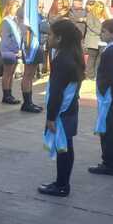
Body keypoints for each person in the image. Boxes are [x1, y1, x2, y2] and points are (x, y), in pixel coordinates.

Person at [37, 19, 84, 197]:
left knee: (63, 148)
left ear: (59, 38)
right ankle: (62, 182)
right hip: (71, 108)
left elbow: (56, 92)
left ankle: (62, 185)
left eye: (50, 34)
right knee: (66, 146)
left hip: (62, 111)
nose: (48, 37)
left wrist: (50, 117)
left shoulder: (62, 59)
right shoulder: (74, 54)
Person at [89, 18, 113, 176]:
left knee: (109, 130)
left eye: (104, 31)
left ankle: (110, 163)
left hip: (110, 97)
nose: (101, 34)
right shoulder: (111, 49)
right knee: (111, 129)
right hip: (108, 95)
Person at [0, 0, 22, 105]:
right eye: (16, 6)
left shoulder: (15, 20)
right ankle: (6, 95)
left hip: (16, 51)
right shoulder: (6, 21)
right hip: (9, 51)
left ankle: (9, 93)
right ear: (10, 8)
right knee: (7, 73)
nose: (18, 8)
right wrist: (13, 52)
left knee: (11, 73)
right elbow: (5, 39)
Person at [84, 1, 106, 80]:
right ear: (95, 7)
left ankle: (97, 74)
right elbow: (91, 26)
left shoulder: (104, 16)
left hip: (102, 41)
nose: (100, 9)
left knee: (100, 58)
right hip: (93, 39)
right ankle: (90, 75)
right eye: (99, 7)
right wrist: (101, 32)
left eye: (102, 7)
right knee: (92, 57)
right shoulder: (90, 15)